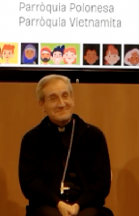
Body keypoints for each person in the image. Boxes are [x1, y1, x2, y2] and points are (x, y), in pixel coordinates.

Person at [19, 75, 113, 216]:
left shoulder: (93, 135)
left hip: (87, 206)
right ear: (42, 104)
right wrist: (58, 203)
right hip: (48, 206)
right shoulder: (32, 139)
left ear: (72, 99)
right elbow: (30, 184)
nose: (61, 104)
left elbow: (102, 183)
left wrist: (78, 205)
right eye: (53, 98)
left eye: (65, 96)